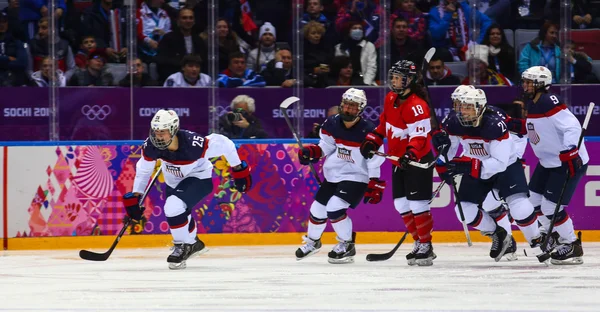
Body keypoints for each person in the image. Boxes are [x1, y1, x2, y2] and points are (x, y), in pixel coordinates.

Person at [124, 109, 252, 270]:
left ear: (173, 130)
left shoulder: (193, 144)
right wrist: (136, 197)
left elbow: (223, 142)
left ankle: (181, 247)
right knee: (179, 211)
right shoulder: (151, 146)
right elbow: (143, 171)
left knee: (173, 206)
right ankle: (193, 243)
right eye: (156, 131)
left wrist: (239, 170)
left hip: (199, 178)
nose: (158, 136)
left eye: (162, 132)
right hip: (173, 182)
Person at [432, 88, 544, 262]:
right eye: (461, 106)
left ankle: (538, 241)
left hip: (506, 166)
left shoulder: (493, 124)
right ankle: (499, 235)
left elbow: (499, 163)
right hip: (475, 166)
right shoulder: (454, 123)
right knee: (464, 212)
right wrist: (442, 153)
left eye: (468, 107)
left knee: (519, 206)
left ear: (479, 107)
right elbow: (450, 152)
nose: (462, 111)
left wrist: (469, 165)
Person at [359, 60, 436, 266]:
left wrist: (410, 155)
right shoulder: (391, 97)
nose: (393, 81)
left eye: (398, 77)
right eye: (392, 77)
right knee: (400, 203)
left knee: (418, 203)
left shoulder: (418, 106)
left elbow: (419, 137)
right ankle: (418, 241)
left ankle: (426, 246)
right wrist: (372, 139)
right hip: (398, 160)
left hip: (417, 160)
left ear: (409, 79)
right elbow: (385, 123)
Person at [296, 88, 385, 264]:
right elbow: (326, 146)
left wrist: (374, 182)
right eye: (346, 105)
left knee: (334, 208)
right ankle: (313, 242)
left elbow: (374, 160)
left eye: (353, 107)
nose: (348, 109)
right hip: (334, 174)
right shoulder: (331, 124)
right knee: (317, 209)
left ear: (360, 109)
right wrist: (313, 152)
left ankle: (347, 245)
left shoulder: (368, 132)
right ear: (341, 105)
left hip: (357, 176)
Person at [519, 66, 587, 264]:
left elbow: (572, 126)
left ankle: (572, 244)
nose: (525, 85)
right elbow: (537, 129)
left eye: (529, 82)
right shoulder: (533, 103)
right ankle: (554, 236)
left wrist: (570, 151)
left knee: (550, 207)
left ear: (541, 84)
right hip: (548, 161)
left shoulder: (549, 101)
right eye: (524, 81)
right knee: (532, 201)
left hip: (566, 161)